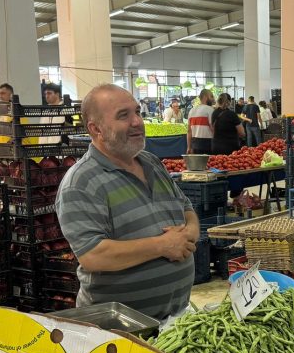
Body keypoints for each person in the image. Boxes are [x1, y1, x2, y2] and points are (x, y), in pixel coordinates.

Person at [55, 84, 198, 321]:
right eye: (124, 115)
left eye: (137, 112)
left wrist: (189, 233)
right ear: (96, 129)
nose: (137, 122)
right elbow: (93, 254)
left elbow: (186, 209)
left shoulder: (151, 162)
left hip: (174, 320)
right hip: (120, 332)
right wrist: (162, 245)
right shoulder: (81, 182)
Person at [187, 89, 215, 154]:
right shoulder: (210, 110)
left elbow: (189, 131)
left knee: (198, 163)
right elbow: (213, 129)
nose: (213, 99)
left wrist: (189, 147)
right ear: (205, 97)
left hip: (195, 145)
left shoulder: (191, 111)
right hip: (208, 144)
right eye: (211, 96)